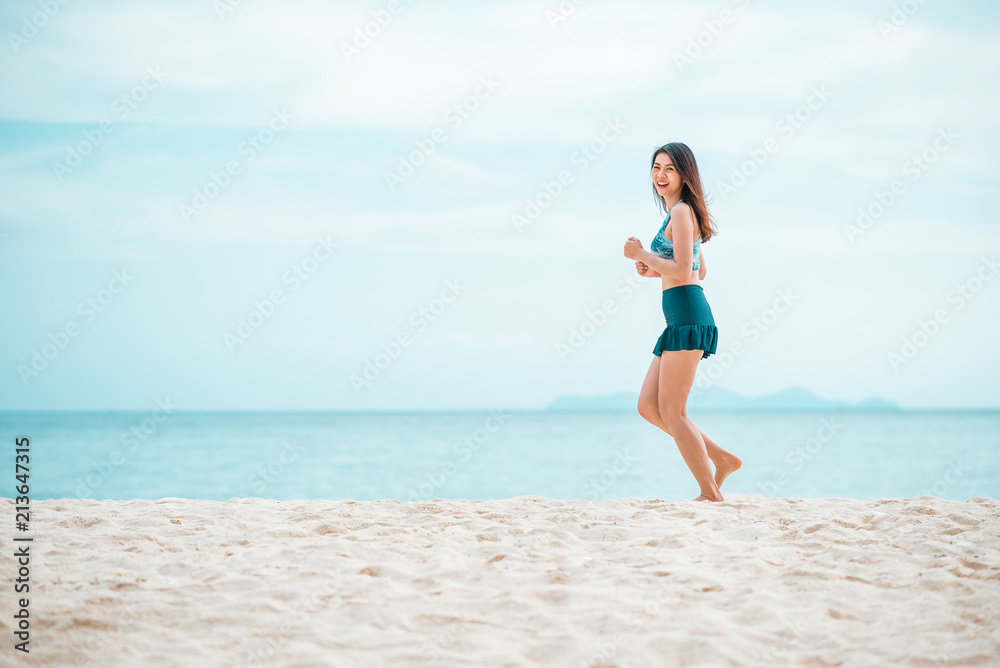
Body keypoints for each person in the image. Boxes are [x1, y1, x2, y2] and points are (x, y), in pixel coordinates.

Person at [623, 142, 742, 502]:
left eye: (670, 168)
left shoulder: (682, 213)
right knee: (649, 407)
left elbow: (685, 271)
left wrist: (642, 253)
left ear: (684, 174)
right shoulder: (678, 213)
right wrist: (650, 268)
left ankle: (711, 494)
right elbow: (698, 267)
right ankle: (721, 458)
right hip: (679, 313)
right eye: (657, 168)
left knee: (673, 412)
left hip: (688, 314)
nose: (661, 175)